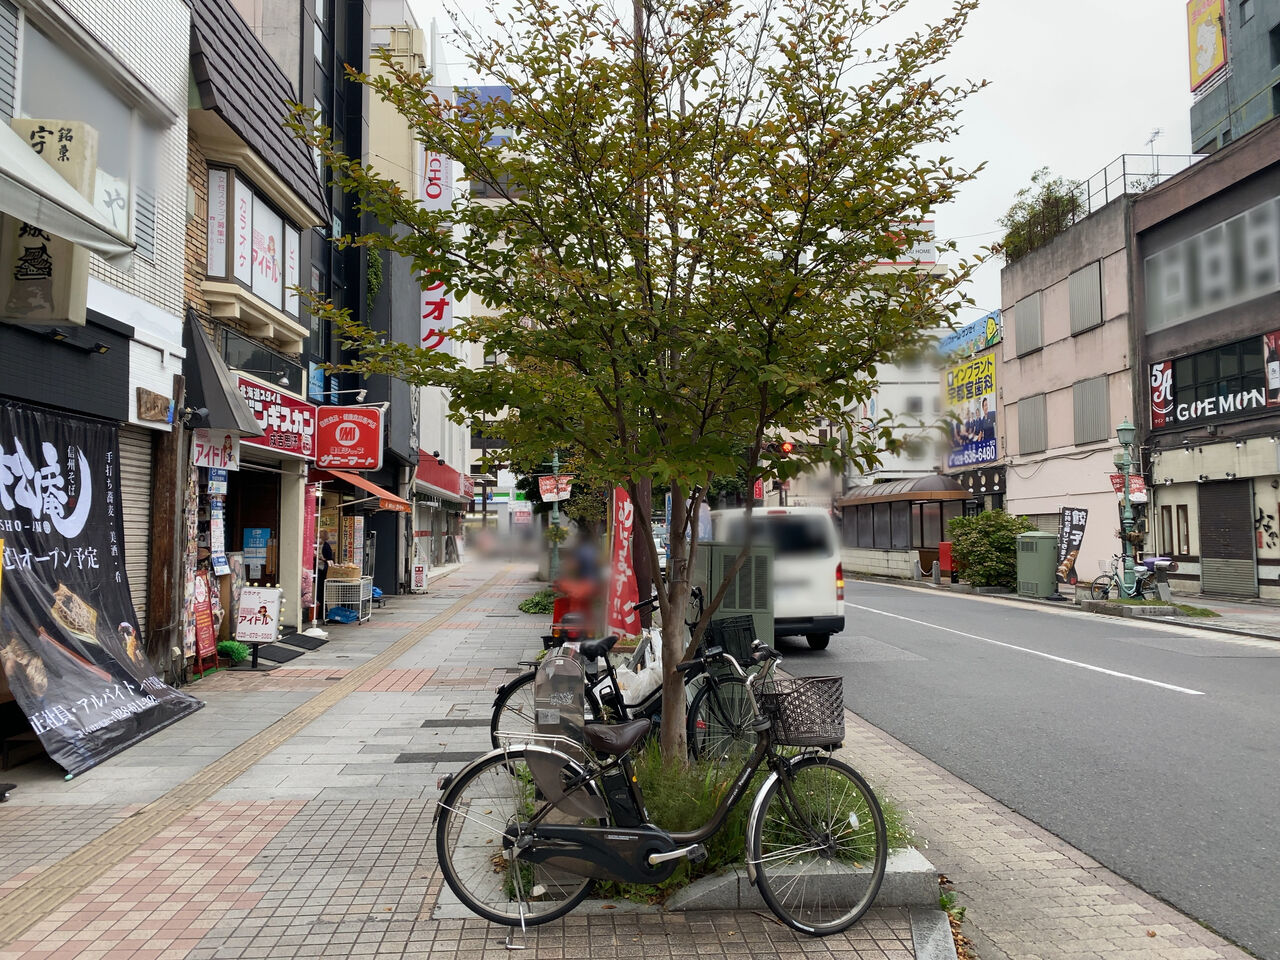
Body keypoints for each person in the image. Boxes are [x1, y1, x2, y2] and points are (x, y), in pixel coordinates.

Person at [316, 530, 334, 621]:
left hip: (323, 570)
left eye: (319, 536)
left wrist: (322, 559)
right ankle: (320, 611)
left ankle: (322, 612)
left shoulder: (326, 546)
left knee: (321, 591)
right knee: (319, 592)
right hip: (318, 569)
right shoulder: (317, 545)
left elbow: (330, 559)